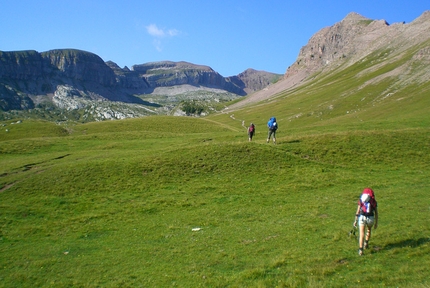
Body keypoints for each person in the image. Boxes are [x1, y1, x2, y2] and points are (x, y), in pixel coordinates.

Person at [354, 188, 378, 256]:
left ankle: (361, 250)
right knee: (369, 230)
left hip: (362, 217)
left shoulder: (361, 200)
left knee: (361, 234)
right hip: (370, 218)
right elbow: (376, 213)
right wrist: (376, 222)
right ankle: (366, 243)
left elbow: (358, 211)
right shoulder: (373, 201)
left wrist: (355, 221)